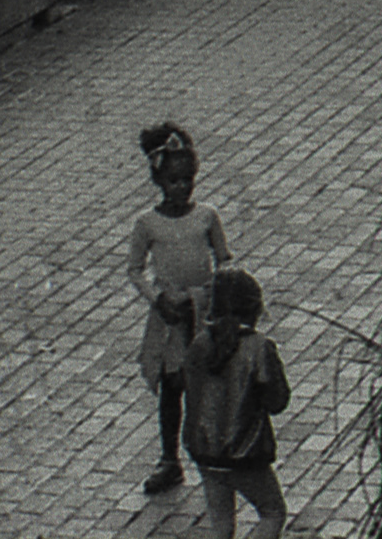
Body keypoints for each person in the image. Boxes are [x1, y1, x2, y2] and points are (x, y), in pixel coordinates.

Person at [124, 122, 229, 495]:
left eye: (189, 180)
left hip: (201, 313)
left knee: (207, 383)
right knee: (172, 387)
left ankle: (214, 452)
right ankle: (170, 459)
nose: (183, 188)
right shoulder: (147, 224)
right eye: (174, 181)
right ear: (159, 181)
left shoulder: (206, 216)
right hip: (170, 317)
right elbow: (134, 270)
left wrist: (212, 295)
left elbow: (225, 260)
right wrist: (157, 299)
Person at [180, 266, 289, 537]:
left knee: (222, 524)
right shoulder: (258, 347)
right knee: (272, 512)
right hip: (244, 451)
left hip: (204, 450)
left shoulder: (199, 344)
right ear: (254, 307)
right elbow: (277, 401)